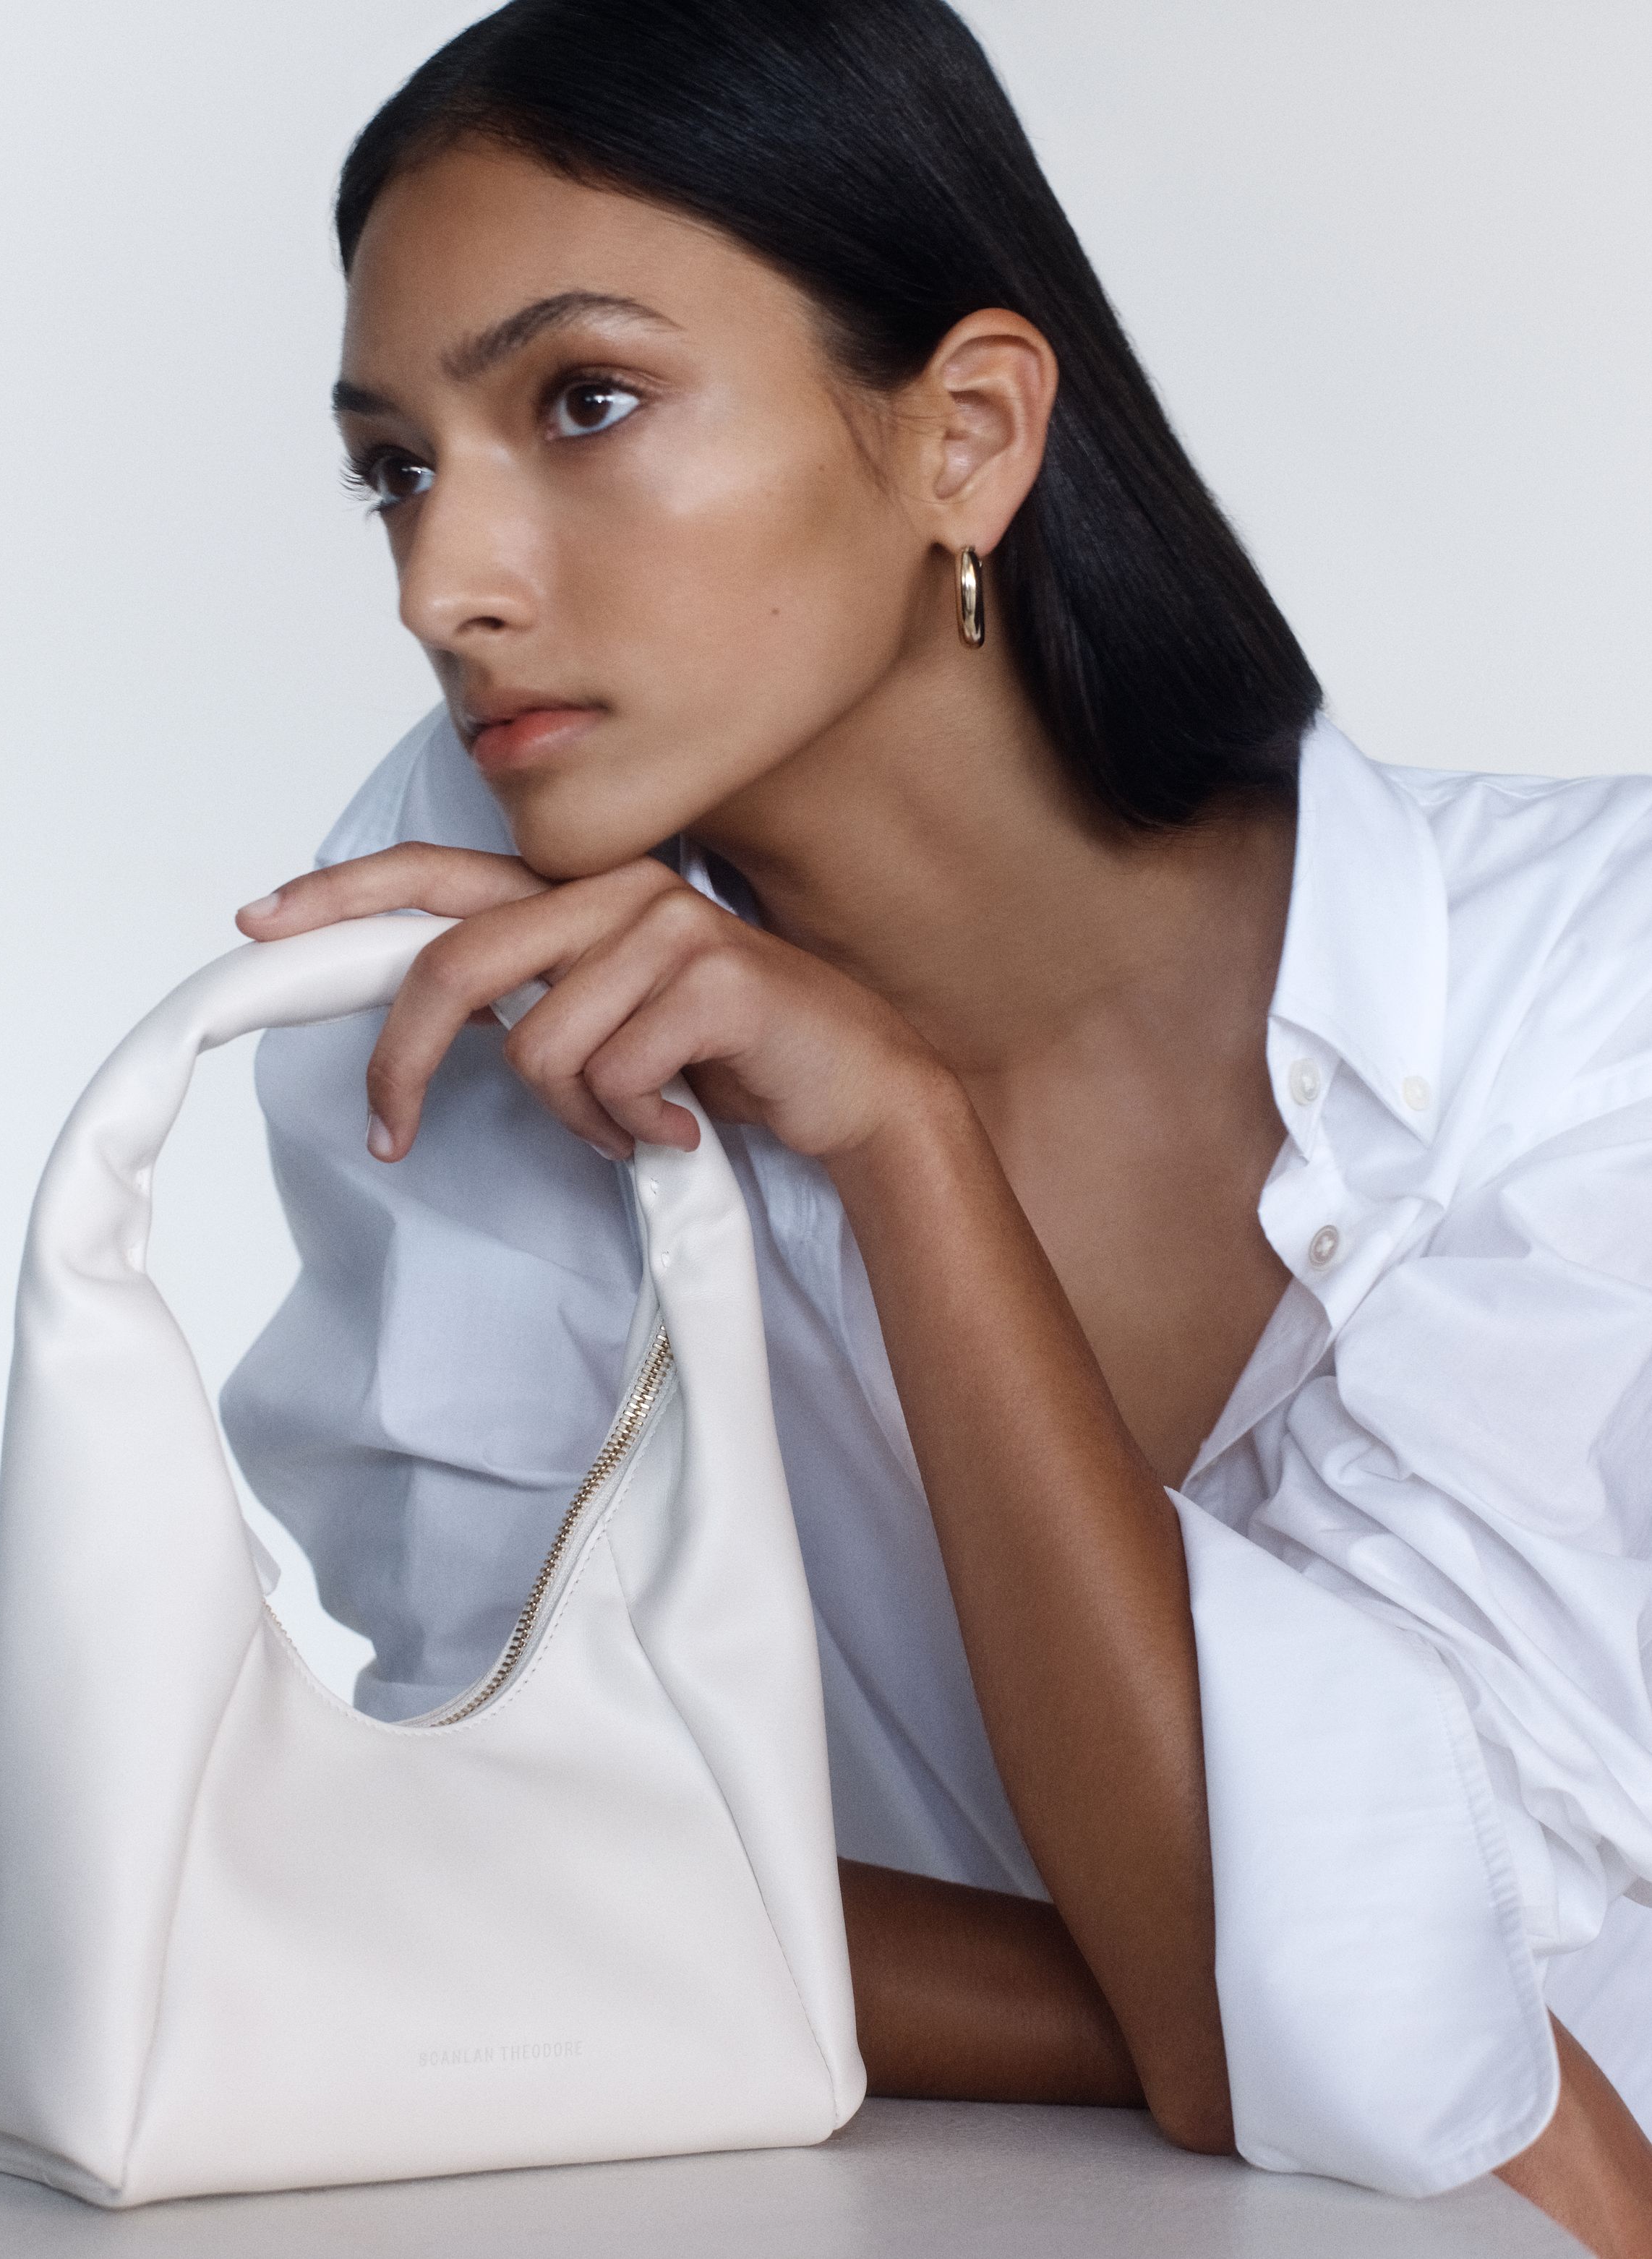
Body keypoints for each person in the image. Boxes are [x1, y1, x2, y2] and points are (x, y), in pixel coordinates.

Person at [217, 1, 1652, 2247]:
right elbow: (482, 1862)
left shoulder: (1586, 999)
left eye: (581, 405)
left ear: (965, 433)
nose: (441, 586)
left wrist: (896, 1142)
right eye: (393, 463)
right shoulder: (478, 983)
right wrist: (1280, 2003)